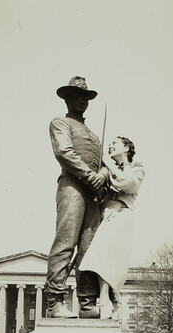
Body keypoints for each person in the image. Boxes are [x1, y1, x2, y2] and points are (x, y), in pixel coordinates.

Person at [44, 76, 109, 318]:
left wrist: (102, 174)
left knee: (89, 248)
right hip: (72, 186)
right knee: (65, 243)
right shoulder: (61, 123)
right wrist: (90, 176)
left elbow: (104, 163)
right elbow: (64, 152)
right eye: (76, 96)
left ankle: (86, 303)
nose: (81, 100)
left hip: (93, 193)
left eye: (85, 97)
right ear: (67, 99)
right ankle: (55, 302)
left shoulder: (92, 134)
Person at [79, 136, 145, 318]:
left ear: (125, 148)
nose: (109, 147)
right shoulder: (105, 169)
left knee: (107, 253)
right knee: (101, 253)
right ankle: (107, 300)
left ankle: (107, 299)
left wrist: (108, 164)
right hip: (106, 214)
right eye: (108, 146)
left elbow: (129, 184)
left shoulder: (136, 168)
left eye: (113, 144)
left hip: (123, 213)